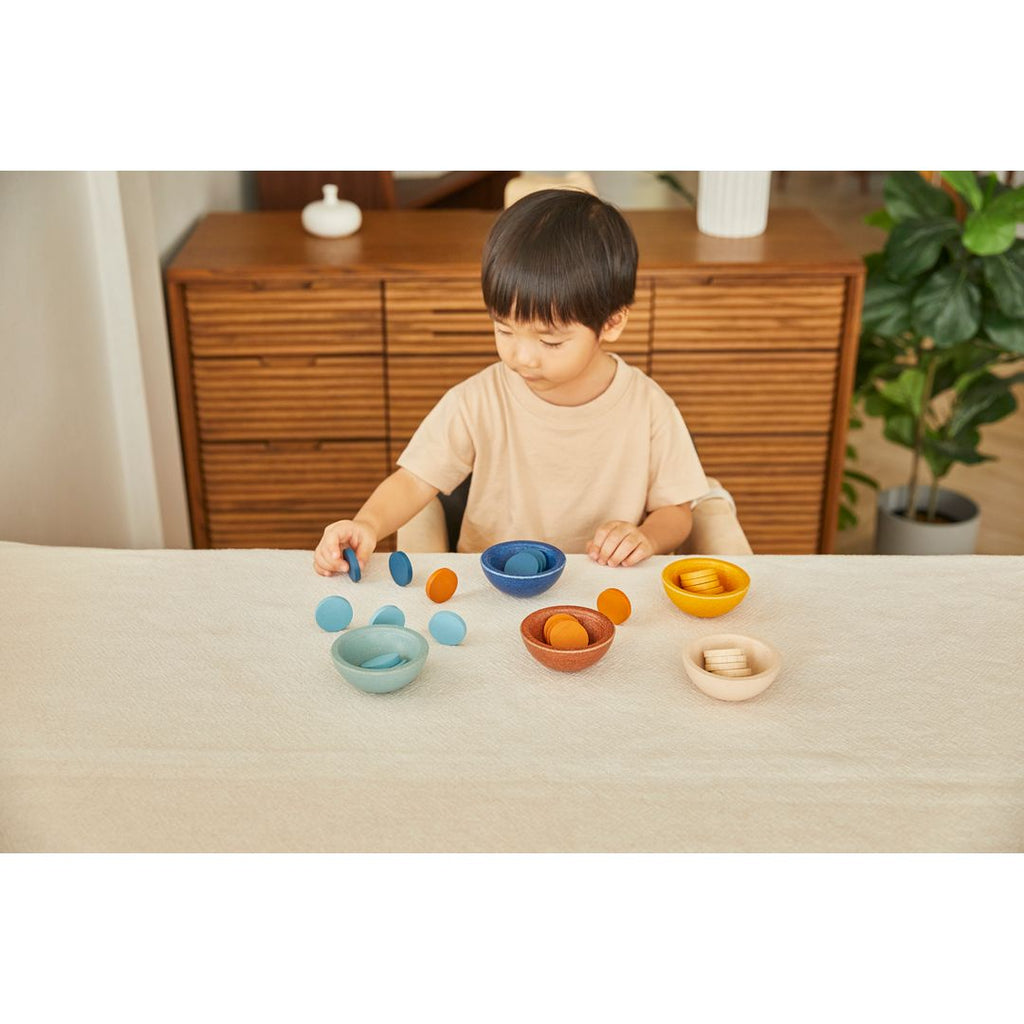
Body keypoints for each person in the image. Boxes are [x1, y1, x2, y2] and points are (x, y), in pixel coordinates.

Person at [313, 187, 709, 577]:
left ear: (611, 323)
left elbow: (676, 512)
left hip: (602, 586)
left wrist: (646, 538)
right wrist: (366, 524)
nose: (520, 356)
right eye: (504, 330)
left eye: (550, 340)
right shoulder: (477, 399)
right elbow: (416, 481)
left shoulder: (649, 406)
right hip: (490, 590)